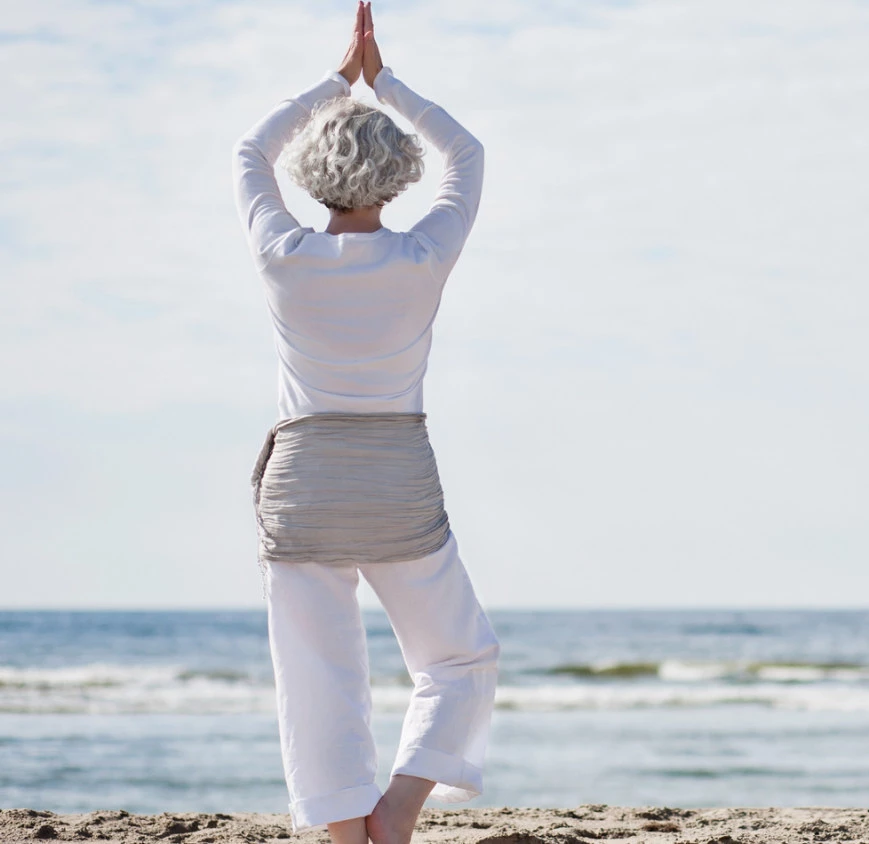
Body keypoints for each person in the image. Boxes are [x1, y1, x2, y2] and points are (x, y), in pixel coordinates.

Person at [229, 3, 500, 843]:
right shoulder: (425, 254)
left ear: (312, 178)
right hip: (394, 481)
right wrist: (385, 83)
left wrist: (334, 83)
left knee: (317, 677)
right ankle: (398, 814)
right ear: (399, 176)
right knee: (460, 659)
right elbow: (469, 152)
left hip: (303, 482)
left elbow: (248, 153)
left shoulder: (283, 254)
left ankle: (352, 840)